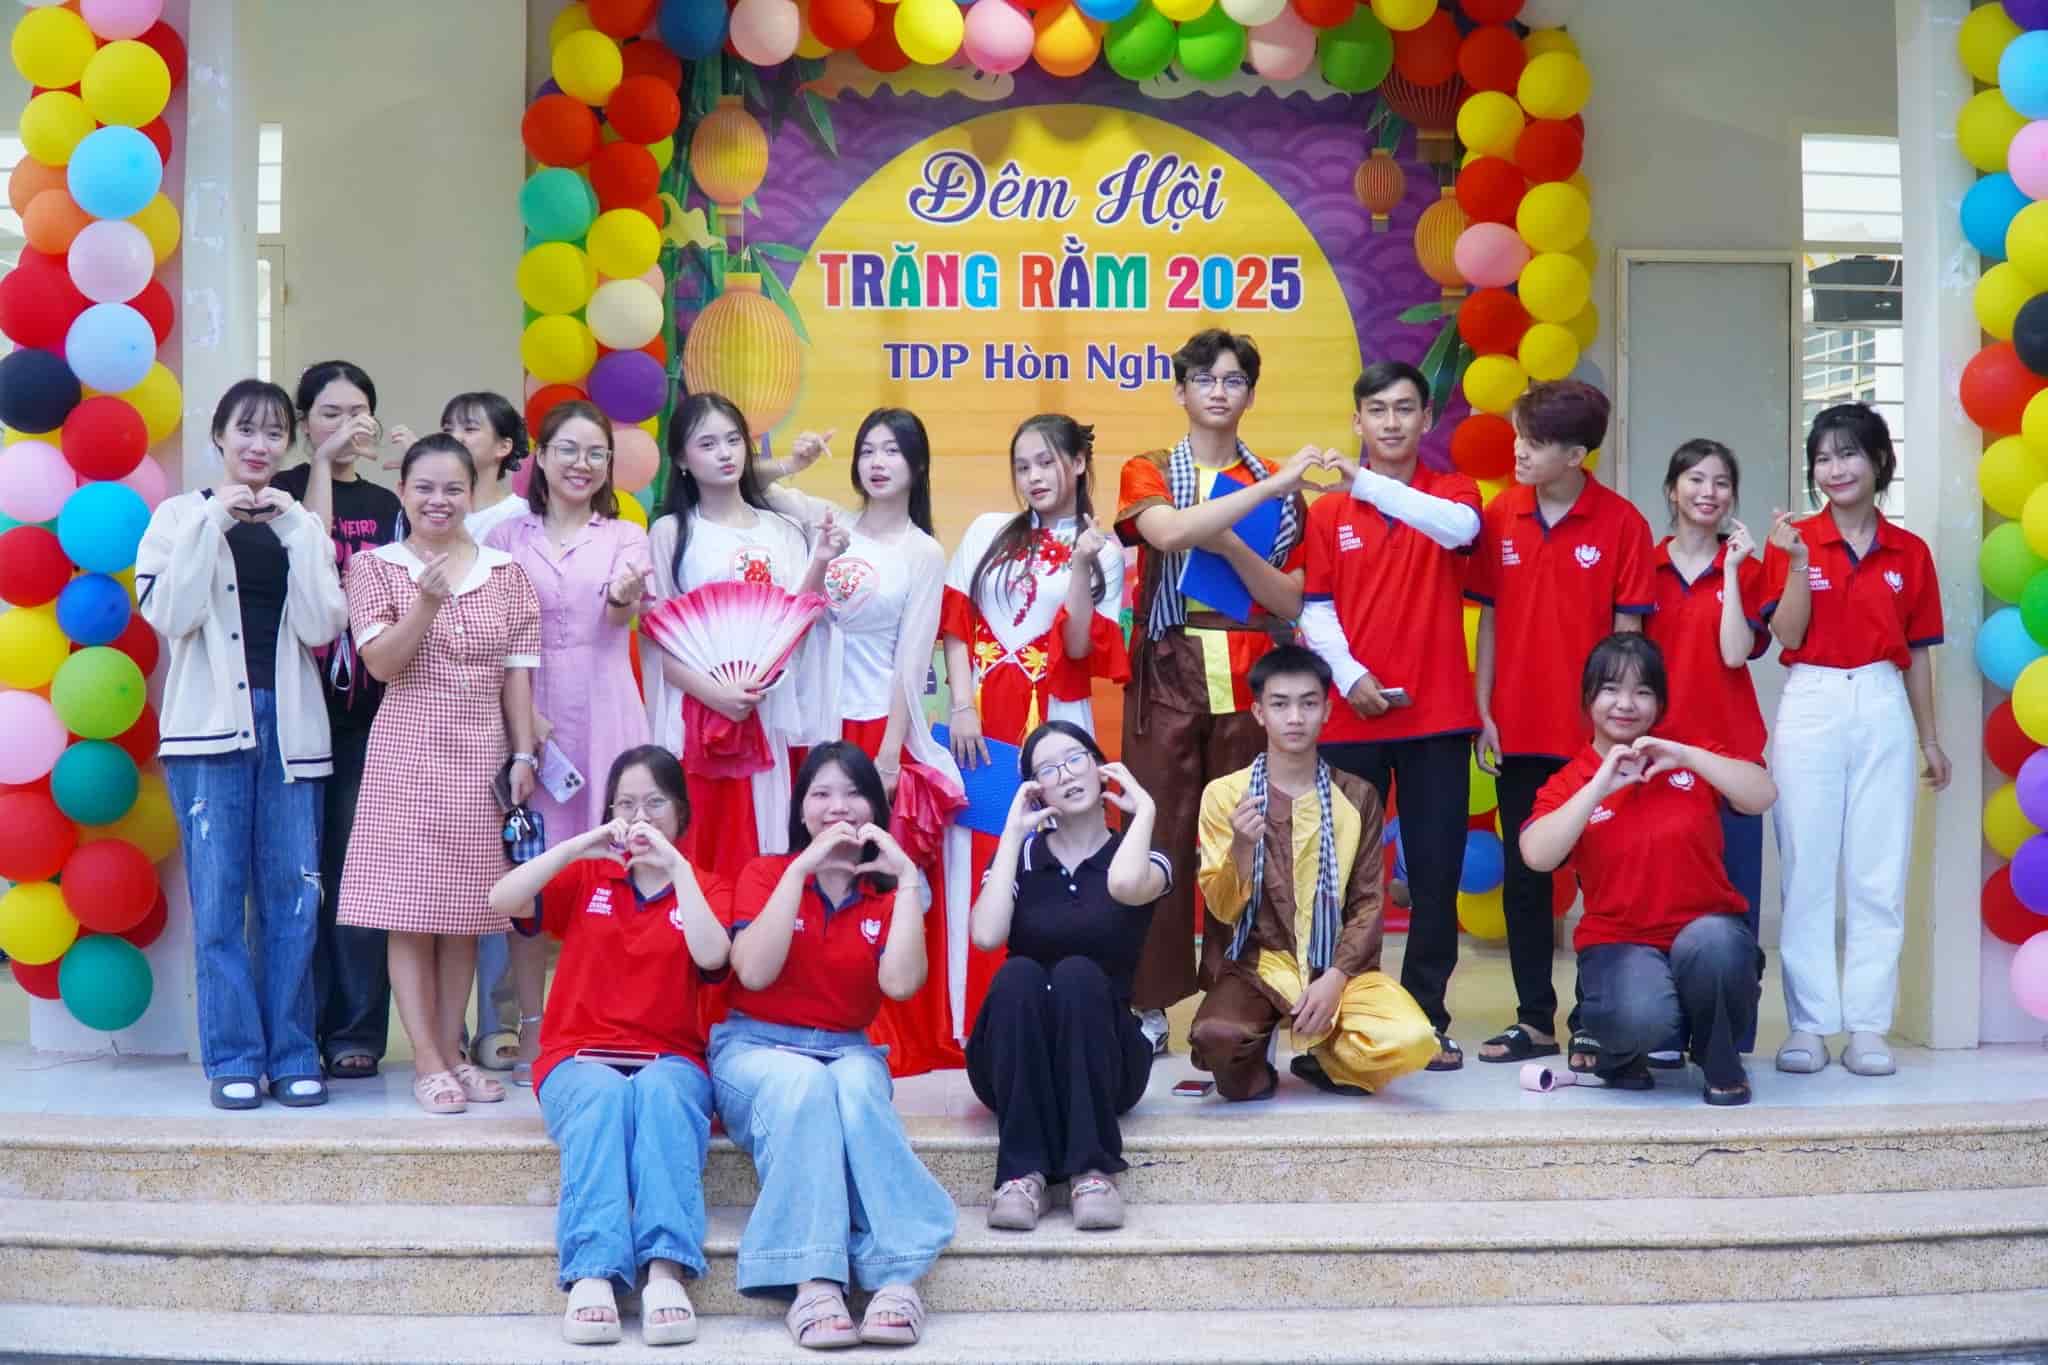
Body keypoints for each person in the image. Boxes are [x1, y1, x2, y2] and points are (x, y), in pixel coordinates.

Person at [136, 379, 349, 1109]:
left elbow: (324, 627)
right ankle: (232, 1054)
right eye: (246, 432)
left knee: (294, 899)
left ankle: (293, 1052)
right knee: (221, 900)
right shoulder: (176, 516)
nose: (260, 446)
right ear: (219, 438)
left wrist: (296, 532)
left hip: (293, 734)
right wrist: (211, 525)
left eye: (274, 434)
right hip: (206, 736)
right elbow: (172, 611)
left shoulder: (302, 525)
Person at [1114, 329, 1325, 1051]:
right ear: (1179, 391)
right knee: (1158, 832)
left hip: (1248, 669)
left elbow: (1291, 598)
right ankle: (1146, 1002)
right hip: (1167, 668)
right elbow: (1168, 536)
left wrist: (1236, 540)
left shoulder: (1279, 485)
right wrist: (1262, 493)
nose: (1217, 390)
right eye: (1203, 378)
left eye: (1233, 380)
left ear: (1250, 394)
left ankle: (1243, 1000)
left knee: (1249, 836)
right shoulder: (1149, 468)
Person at [710, 742, 956, 1350]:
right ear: (800, 809)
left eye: (853, 792)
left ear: (875, 807)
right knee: (804, 1085)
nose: (837, 807)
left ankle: (897, 1274)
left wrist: (904, 881)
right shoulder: (765, 873)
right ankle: (813, 1279)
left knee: (851, 1085)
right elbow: (753, 972)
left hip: (847, 1048)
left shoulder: (885, 895)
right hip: (756, 1046)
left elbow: (899, 984)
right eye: (820, 793)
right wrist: (801, 871)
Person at [486, 746, 731, 1347]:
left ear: (681, 812)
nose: (640, 815)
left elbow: (713, 956)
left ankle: (666, 1270)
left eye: (654, 803)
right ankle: (593, 1270)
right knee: (598, 1097)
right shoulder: (590, 875)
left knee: (662, 1096)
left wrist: (677, 871)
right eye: (625, 803)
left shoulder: (706, 886)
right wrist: (574, 846)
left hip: (671, 1058)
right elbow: (502, 901)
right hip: (578, 1057)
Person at [336, 434, 542, 1115]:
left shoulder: (506, 572)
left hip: (482, 752)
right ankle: (427, 1057)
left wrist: (522, 755)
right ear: (402, 491)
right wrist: (425, 602)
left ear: (472, 492)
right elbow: (383, 666)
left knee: (467, 915)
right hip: (408, 751)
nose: (438, 500)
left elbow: (518, 679)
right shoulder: (376, 567)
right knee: (409, 915)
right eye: (424, 486)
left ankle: (455, 1054)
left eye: (452, 487)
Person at [761, 410, 969, 1076]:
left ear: (918, 464)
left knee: (877, 877)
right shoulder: (828, 522)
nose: (879, 461)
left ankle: (890, 1031)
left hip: (878, 726)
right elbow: (752, 487)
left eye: (894, 450)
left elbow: (912, 660)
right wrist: (792, 463)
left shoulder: (923, 551)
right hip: (813, 718)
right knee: (814, 869)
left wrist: (885, 755)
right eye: (869, 450)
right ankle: (812, 1012)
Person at [1465, 380, 1654, 1065]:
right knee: (1526, 879)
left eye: (1535, 443)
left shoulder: (1622, 524)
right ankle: (1534, 1018)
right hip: (1516, 730)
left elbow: (1629, 640)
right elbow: (1487, 618)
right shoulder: (1500, 514)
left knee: (1607, 878)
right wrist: (1484, 708)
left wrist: (1622, 732)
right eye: (1520, 436)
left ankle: (1603, 1016)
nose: (1518, 451)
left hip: (1595, 742)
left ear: (1577, 455)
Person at [1299, 361, 1481, 1072]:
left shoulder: (1451, 492)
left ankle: (1427, 1017)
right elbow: (1315, 608)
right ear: (1357, 421)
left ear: (1428, 418)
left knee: (1435, 876)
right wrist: (1350, 675)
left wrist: (1367, 480)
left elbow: (1459, 528)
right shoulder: (1328, 513)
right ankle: (1340, 1017)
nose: (1392, 422)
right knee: (1343, 881)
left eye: (1405, 408)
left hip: (1437, 717)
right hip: (1352, 716)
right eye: (1377, 410)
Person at [1763, 404, 1950, 1079]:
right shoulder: (1794, 540)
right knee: (1808, 866)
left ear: (1877, 462)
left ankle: (1869, 1023)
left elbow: (1920, 654)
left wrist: (1930, 738)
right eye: (1823, 457)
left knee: (1878, 870)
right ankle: (1811, 1025)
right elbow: (1785, 636)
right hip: (1810, 696)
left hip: (1881, 698)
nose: (1835, 468)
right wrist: (1792, 564)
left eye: (1849, 454)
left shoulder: (1911, 552)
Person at [1519, 634, 1776, 1104]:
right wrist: (1601, 784)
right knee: (1641, 1015)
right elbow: (1537, 854)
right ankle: (1623, 1054)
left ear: (1659, 702)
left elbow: (1761, 794)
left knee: (1718, 945)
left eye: (1642, 692)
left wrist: (1688, 756)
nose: (1625, 704)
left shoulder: (1687, 753)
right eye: (1611, 689)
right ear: (1589, 698)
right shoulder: (1574, 780)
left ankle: (1719, 1057)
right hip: (1619, 945)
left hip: (1703, 932)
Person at [484, 399, 654, 1084]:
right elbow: (493, 636)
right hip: (528, 715)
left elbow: (623, 616)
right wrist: (525, 726)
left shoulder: (625, 537)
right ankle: (529, 1028)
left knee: (611, 870)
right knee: (531, 870)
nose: (581, 464)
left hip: (608, 712)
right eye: (568, 449)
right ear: (540, 458)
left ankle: (602, 1020)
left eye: (595, 453)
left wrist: (622, 595)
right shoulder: (504, 539)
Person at [1188, 646, 1437, 1101]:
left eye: (1308, 703)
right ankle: (1257, 1054)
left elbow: (1367, 903)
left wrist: (1337, 977)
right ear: (1258, 713)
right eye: (1280, 704)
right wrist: (1242, 846)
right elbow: (1222, 909)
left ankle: (1324, 1058)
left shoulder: (1357, 795)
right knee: (1217, 1040)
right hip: (1256, 966)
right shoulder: (1225, 795)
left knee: (1413, 1041)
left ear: (1327, 710)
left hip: (1336, 968)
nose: (1295, 717)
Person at [942, 414, 1127, 1027]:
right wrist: (961, 704)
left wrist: (1081, 564)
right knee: (974, 844)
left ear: (1077, 463)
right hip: (981, 714)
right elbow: (955, 624)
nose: (1033, 476)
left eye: (1046, 462)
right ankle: (966, 1013)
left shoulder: (1108, 550)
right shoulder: (988, 531)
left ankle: (1043, 1005)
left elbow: (1078, 647)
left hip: (1055, 717)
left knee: (1050, 846)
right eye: (1023, 465)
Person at [967, 721, 1169, 1232]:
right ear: (1035, 789)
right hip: (1017, 1058)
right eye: (1049, 770)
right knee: (1018, 975)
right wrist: (1012, 834)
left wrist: (1144, 808)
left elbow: (1124, 885)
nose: (1067, 775)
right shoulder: (1023, 855)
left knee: (1079, 974)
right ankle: (1019, 1176)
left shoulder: (1142, 856)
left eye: (1076, 759)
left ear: (1102, 767)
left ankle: (1092, 1172)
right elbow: (987, 935)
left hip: (1107, 1062)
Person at [643, 393, 839, 881]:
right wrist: (716, 693)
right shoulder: (671, 533)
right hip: (699, 715)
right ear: (683, 460)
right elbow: (656, 642)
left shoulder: (783, 528)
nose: (725, 453)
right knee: (703, 845)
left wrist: (820, 560)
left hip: (770, 708)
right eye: (707, 443)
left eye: (734, 440)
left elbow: (801, 616)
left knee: (769, 843)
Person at [273, 361, 401, 1080]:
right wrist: (318, 464)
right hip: (296, 707)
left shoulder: (390, 501)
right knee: (297, 870)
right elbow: (313, 557)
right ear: (303, 422)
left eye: (358, 411)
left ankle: (355, 1030)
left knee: (357, 871)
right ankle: (294, 1028)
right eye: (329, 412)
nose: (345, 424)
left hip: (368, 716)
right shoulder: (283, 492)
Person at [1644, 439, 1772, 1060]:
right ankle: (1666, 1028)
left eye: (1722, 483)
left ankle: (1728, 1035)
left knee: (1734, 896)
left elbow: (1732, 652)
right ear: (1672, 489)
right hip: (1660, 758)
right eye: (1695, 479)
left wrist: (1727, 570)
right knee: (1664, 896)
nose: (1708, 493)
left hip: (1731, 755)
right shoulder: (1644, 566)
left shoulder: (1748, 569)